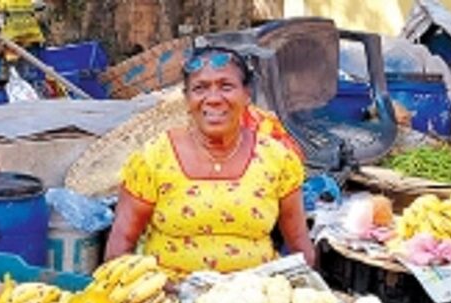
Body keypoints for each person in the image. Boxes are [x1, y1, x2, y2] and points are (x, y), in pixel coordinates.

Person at [105, 46, 316, 278]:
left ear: (247, 94)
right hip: (169, 300)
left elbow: (300, 246)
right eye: (200, 88)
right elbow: (120, 247)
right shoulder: (154, 157)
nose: (213, 99)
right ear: (186, 99)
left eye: (226, 86)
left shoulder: (277, 158)